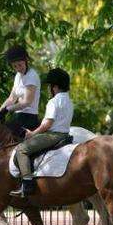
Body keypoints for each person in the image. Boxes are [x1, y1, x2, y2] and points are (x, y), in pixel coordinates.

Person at [10, 67, 74, 198]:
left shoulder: (54, 101)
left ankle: (27, 183)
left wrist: (33, 134)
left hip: (53, 135)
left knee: (22, 149)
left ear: (55, 86)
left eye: (50, 85)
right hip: (65, 134)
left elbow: (47, 124)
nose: (49, 88)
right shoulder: (69, 101)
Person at [0, 45, 41, 138]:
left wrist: (7, 109)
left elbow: (27, 102)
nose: (18, 68)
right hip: (18, 116)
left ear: (25, 61)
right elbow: (11, 98)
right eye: (15, 66)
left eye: (20, 64)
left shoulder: (32, 76)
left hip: (29, 118)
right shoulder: (18, 76)